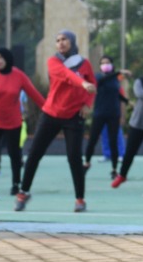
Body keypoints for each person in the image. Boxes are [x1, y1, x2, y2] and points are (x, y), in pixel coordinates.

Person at [14, 31, 96, 213]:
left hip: (74, 116)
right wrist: (82, 84)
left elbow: (93, 84)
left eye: (64, 39)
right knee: (34, 153)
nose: (60, 43)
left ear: (72, 42)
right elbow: (67, 75)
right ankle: (23, 192)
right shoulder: (54, 62)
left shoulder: (84, 63)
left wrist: (87, 104)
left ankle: (80, 199)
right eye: (57, 40)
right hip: (51, 114)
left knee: (74, 158)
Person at [0, 47, 45, 199]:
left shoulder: (19, 76)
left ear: (7, 59)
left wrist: (47, 108)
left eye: (0, 58)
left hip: (13, 122)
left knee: (14, 154)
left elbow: (34, 93)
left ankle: (16, 183)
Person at [113, 56, 143, 188]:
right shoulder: (140, 81)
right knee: (130, 152)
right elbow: (140, 93)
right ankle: (122, 175)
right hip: (137, 123)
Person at [86, 54, 127, 181]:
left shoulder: (116, 80)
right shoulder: (97, 77)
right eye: (103, 63)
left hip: (113, 114)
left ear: (112, 64)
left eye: (108, 62)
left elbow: (117, 94)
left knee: (113, 141)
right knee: (92, 139)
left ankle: (114, 169)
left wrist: (127, 101)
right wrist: (118, 72)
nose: (105, 64)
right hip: (99, 113)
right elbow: (101, 81)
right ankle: (86, 163)